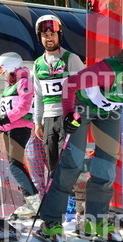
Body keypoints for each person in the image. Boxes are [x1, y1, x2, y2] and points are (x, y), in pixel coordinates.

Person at [37, 39, 123, 242]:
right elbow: (69, 84)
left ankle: (96, 219)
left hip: (109, 112)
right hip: (82, 106)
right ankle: (51, 221)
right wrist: (69, 114)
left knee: (106, 166)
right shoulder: (108, 71)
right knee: (72, 164)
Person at [32, 15, 86, 218]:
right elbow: (38, 95)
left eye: (52, 33)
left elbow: (84, 88)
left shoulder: (71, 59)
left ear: (59, 35)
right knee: (53, 167)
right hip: (48, 120)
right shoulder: (38, 64)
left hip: (68, 117)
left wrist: (78, 115)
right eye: (44, 34)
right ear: (40, 37)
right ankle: (55, 215)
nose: (49, 38)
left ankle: (81, 212)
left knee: (71, 165)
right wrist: (37, 122)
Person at [0, 52, 41, 219]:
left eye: (1, 69)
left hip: (20, 128)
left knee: (15, 166)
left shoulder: (24, 82)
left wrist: (4, 119)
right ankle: (31, 202)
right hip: (10, 129)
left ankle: (34, 202)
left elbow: (24, 107)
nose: (1, 73)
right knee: (15, 166)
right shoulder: (11, 86)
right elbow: (8, 109)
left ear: (10, 67)